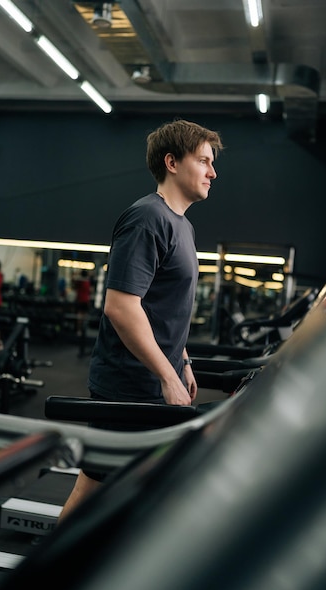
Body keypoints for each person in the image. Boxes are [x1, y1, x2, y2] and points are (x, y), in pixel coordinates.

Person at [58, 118, 223, 523]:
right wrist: (167, 375)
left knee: (137, 491)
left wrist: (180, 360)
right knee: (93, 489)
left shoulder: (182, 226)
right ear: (171, 162)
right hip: (128, 386)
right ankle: (46, 582)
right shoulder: (147, 218)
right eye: (203, 161)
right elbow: (121, 306)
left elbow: (162, 304)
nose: (212, 172)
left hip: (153, 380)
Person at [72, 269, 91, 334]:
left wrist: (75, 274)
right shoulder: (87, 281)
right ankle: (82, 329)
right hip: (86, 300)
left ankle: (79, 330)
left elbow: (74, 282)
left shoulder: (80, 281)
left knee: (79, 316)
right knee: (83, 316)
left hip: (80, 300)